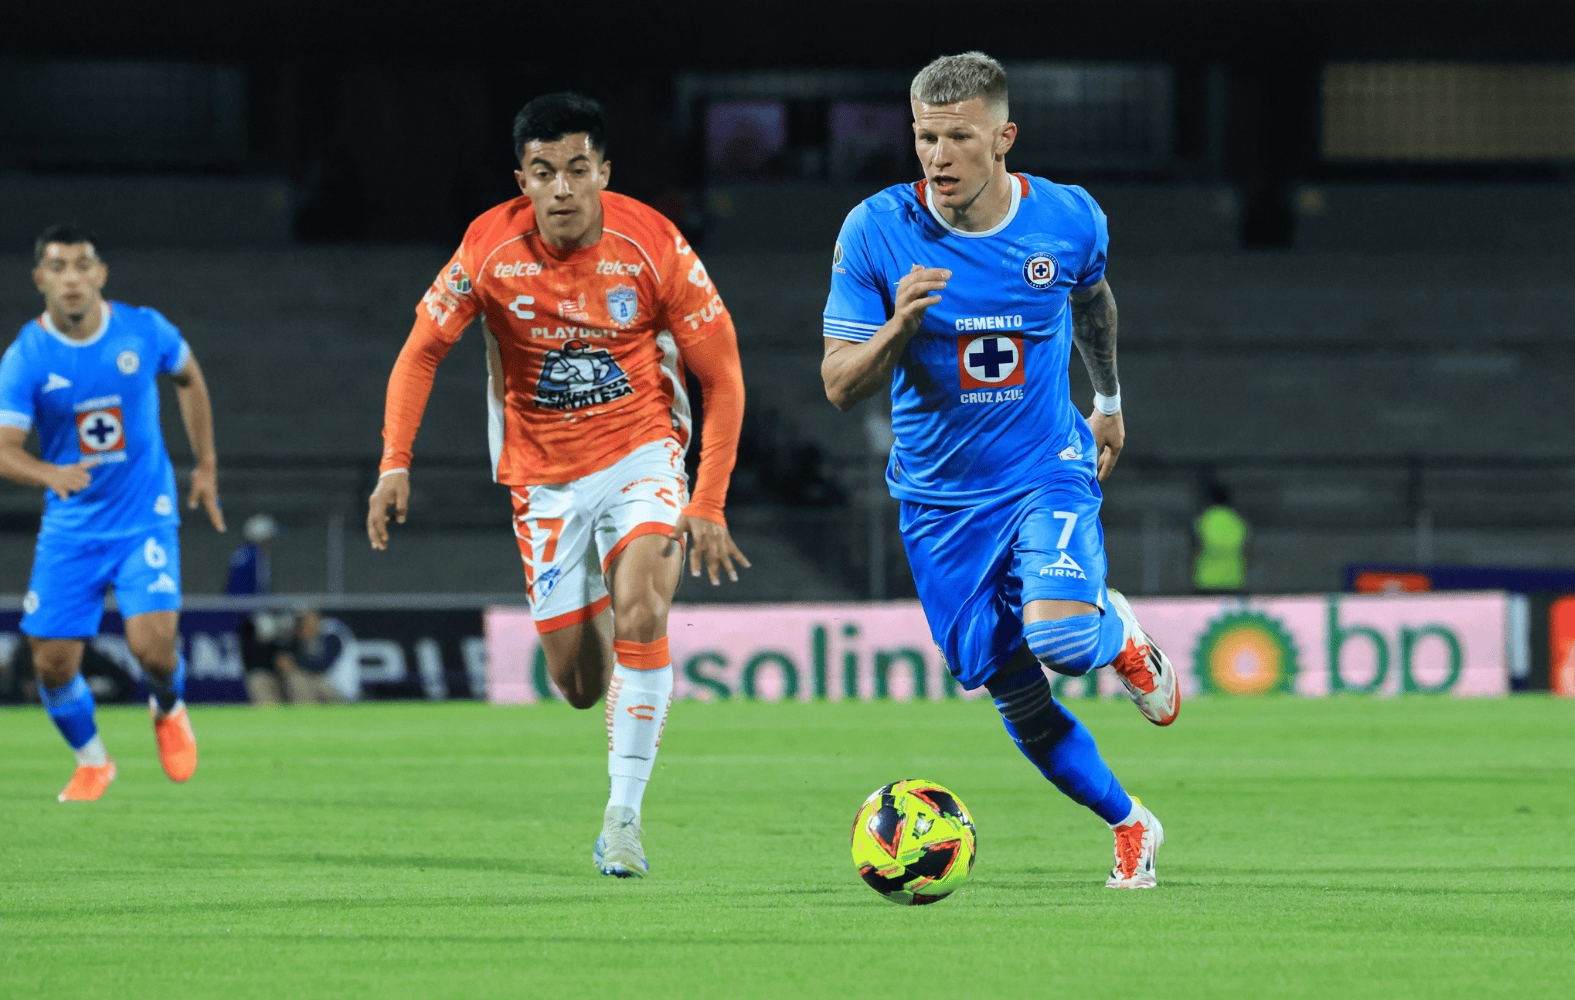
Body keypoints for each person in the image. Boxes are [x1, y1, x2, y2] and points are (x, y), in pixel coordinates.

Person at [820, 53, 1180, 889]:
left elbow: (1092, 299)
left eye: (957, 137)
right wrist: (898, 325)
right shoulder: (875, 231)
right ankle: (1130, 823)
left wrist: (1109, 399)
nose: (937, 157)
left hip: (1043, 466)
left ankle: (1114, 635)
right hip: (939, 505)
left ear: (1002, 137)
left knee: (1059, 638)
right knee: (1016, 696)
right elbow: (840, 385)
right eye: (923, 138)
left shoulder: (1067, 218)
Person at [367, 93, 749, 878]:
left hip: (642, 452)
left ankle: (623, 819)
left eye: (578, 169)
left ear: (603, 171)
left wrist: (705, 500)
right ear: (523, 180)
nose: (563, 188)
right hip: (541, 481)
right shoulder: (487, 249)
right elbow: (419, 352)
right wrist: (393, 462)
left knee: (645, 605)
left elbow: (724, 375)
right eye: (545, 173)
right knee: (577, 684)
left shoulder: (654, 245)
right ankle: (613, 627)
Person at [0, 223, 226, 802]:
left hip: (143, 516)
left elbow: (190, 378)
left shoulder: (144, 329)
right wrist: (48, 473)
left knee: (153, 648)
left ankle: (169, 706)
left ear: (100, 273)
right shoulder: (27, 357)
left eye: (81, 265)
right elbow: (2, 447)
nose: (71, 277)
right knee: (51, 664)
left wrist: (204, 466)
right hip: (72, 526)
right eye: (57, 267)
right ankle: (93, 760)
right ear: (39, 280)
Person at [1193, 483, 1250, 594]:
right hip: (1235, 580)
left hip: (1206, 581)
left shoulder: (1203, 519)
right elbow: (1247, 553)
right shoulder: (1239, 521)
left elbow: (1196, 548)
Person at [226, 512, 280, 595]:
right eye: (270, 538)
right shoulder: (254, 555)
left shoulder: (245, 551)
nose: (271, 542)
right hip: (243, 604)